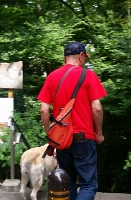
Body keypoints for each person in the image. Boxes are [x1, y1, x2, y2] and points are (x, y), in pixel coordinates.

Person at [37, 41, 107, 200]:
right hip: (84, 138)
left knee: (68, 185)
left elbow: (43, 109)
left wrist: (49, 131)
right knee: (88, 185)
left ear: (64, 57)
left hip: (62, 140)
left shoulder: (52, 77)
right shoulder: (88, 75)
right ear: (81, 56)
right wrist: (99, 133)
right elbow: (97, 108)